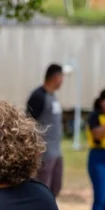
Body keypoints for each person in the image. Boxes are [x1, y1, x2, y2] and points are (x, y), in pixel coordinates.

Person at [27, 63, 65, 196]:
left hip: (56, 150)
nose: (62, 81)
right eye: (62, 77)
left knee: (55, 187)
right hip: (44, 151)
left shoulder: (53, 96)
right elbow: (29, 123)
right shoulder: (38, 96)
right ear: (55, 77)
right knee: (42, 188)